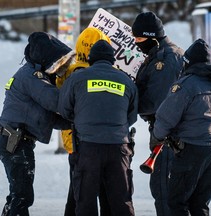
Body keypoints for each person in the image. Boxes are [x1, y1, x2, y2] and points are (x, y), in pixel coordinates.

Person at [0, 31, 75, 216]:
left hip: (13, 139)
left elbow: (49, 118)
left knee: (17, 194)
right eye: (57, 63)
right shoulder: (32, 76)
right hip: (14, 141)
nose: (59, 68)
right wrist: (79, 97)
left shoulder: (33, 75)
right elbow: (54, 101)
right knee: (22, 196)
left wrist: (74, 123)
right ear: (46, 58)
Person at [58, 40, 138, 216]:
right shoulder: (126, 81)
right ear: (112, 60)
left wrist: (83, 120)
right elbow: (131, 117)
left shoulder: (77, 78)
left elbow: (64, 110)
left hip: (87, 147)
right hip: (119, 149)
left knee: (85, 201)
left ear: (90, 59)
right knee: (121, 201)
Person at [150, 38, 211, 216]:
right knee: (199, 205)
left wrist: (157, 136)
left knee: (177, 202)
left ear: (187, 63)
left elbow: (165, 118)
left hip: (192, 151)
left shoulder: (185, 85)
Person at [131, 11, 184, 216]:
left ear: (152, 37)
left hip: (168, 136)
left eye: (140, 39)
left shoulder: (165, 60)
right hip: (173, 133)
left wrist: (128, 101)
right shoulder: (171, 52)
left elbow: (155, 102)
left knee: (164, 192)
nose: (136, 43)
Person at [56, 27, 112, 216]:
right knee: (105, 195)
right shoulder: (108, 75)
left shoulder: (68, 72)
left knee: (78, 195)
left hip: (74, 142)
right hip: (103, 142)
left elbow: (62, 107)